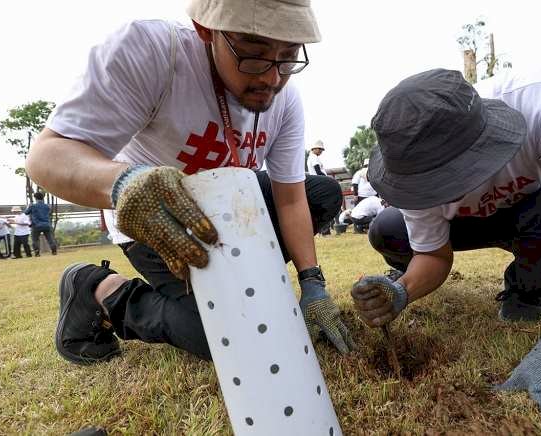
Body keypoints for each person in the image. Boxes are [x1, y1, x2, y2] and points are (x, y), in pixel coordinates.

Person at [25, 0, 353, 365]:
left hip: (232, 210)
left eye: (288, 56)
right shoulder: (155, 51)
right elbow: (47, 156)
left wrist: (312, 283)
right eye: (254, 54)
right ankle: (100, 289)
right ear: (206, 31)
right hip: (159, 219)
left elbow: (291, 200)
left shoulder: (285, 98)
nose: (271, 79)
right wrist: (125, 182)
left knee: (321, 193)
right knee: (232, 339)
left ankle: (246, 288)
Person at [352, 66, 541, 435]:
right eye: (430, 185)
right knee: (388, 229)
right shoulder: (411, 158)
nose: (440, 192)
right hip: (473, 223)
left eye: (446, 179)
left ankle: (526, 287)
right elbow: (432, 255)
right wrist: (403, 290)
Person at [25, 192, 58, 256]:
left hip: (36, 225)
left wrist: (29, 206)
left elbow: (26, 213)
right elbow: (49, 213)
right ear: (43, 198)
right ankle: (54, 250)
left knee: (35, 239)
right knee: (50, 239)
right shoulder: (47, 206)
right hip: (46, 225)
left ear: (35, 198)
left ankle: (37, 252)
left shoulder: (33, 206)